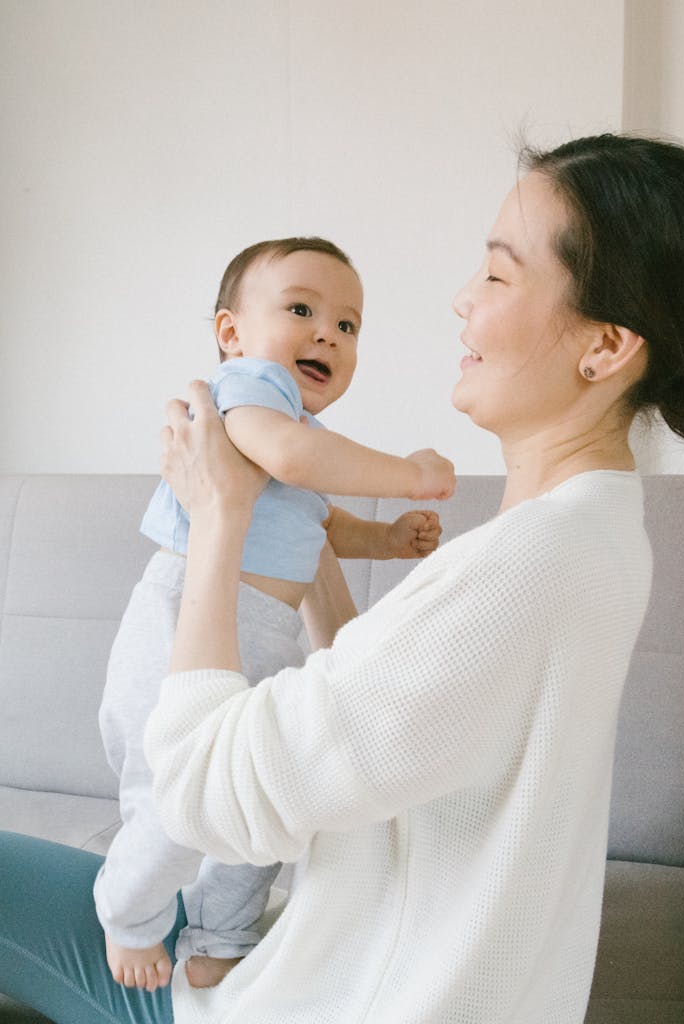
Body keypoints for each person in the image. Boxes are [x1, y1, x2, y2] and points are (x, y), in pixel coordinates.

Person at [1, 132, 684, 1024]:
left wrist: (220, 518)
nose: (462, 301)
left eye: (498, 276)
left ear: (605, 346)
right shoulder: (593, 534)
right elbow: (378, 711)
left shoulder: (522, 572)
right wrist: (303, 535)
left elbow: (193, 791)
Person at [94, 236, 454, 993]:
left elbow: (316, 520)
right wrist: (410, 475)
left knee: (253, 800)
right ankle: (125, 914)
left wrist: (383, 540)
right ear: (231, 333)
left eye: (348, 325)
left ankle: (220, 931)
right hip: (179, 623)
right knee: (176, 800)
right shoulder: (247, 393)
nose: (328, 333)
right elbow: (290, 462)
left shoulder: (304, 435)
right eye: (301, 309)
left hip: (262, 632)